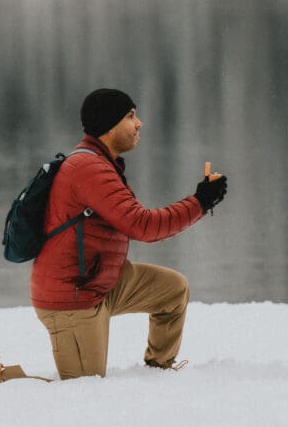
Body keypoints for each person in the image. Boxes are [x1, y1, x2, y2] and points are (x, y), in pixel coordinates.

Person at [31, 88, 228, 379]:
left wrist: (201, 202)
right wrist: (199, 203)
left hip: (101, 281)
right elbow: (143, 226)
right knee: (83, 385)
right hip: (72, 297)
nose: (139, 123)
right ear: (109, 124)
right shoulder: (89, 168)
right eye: (130, 116)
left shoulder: (101, 163)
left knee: (173, 290)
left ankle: (158, 371)